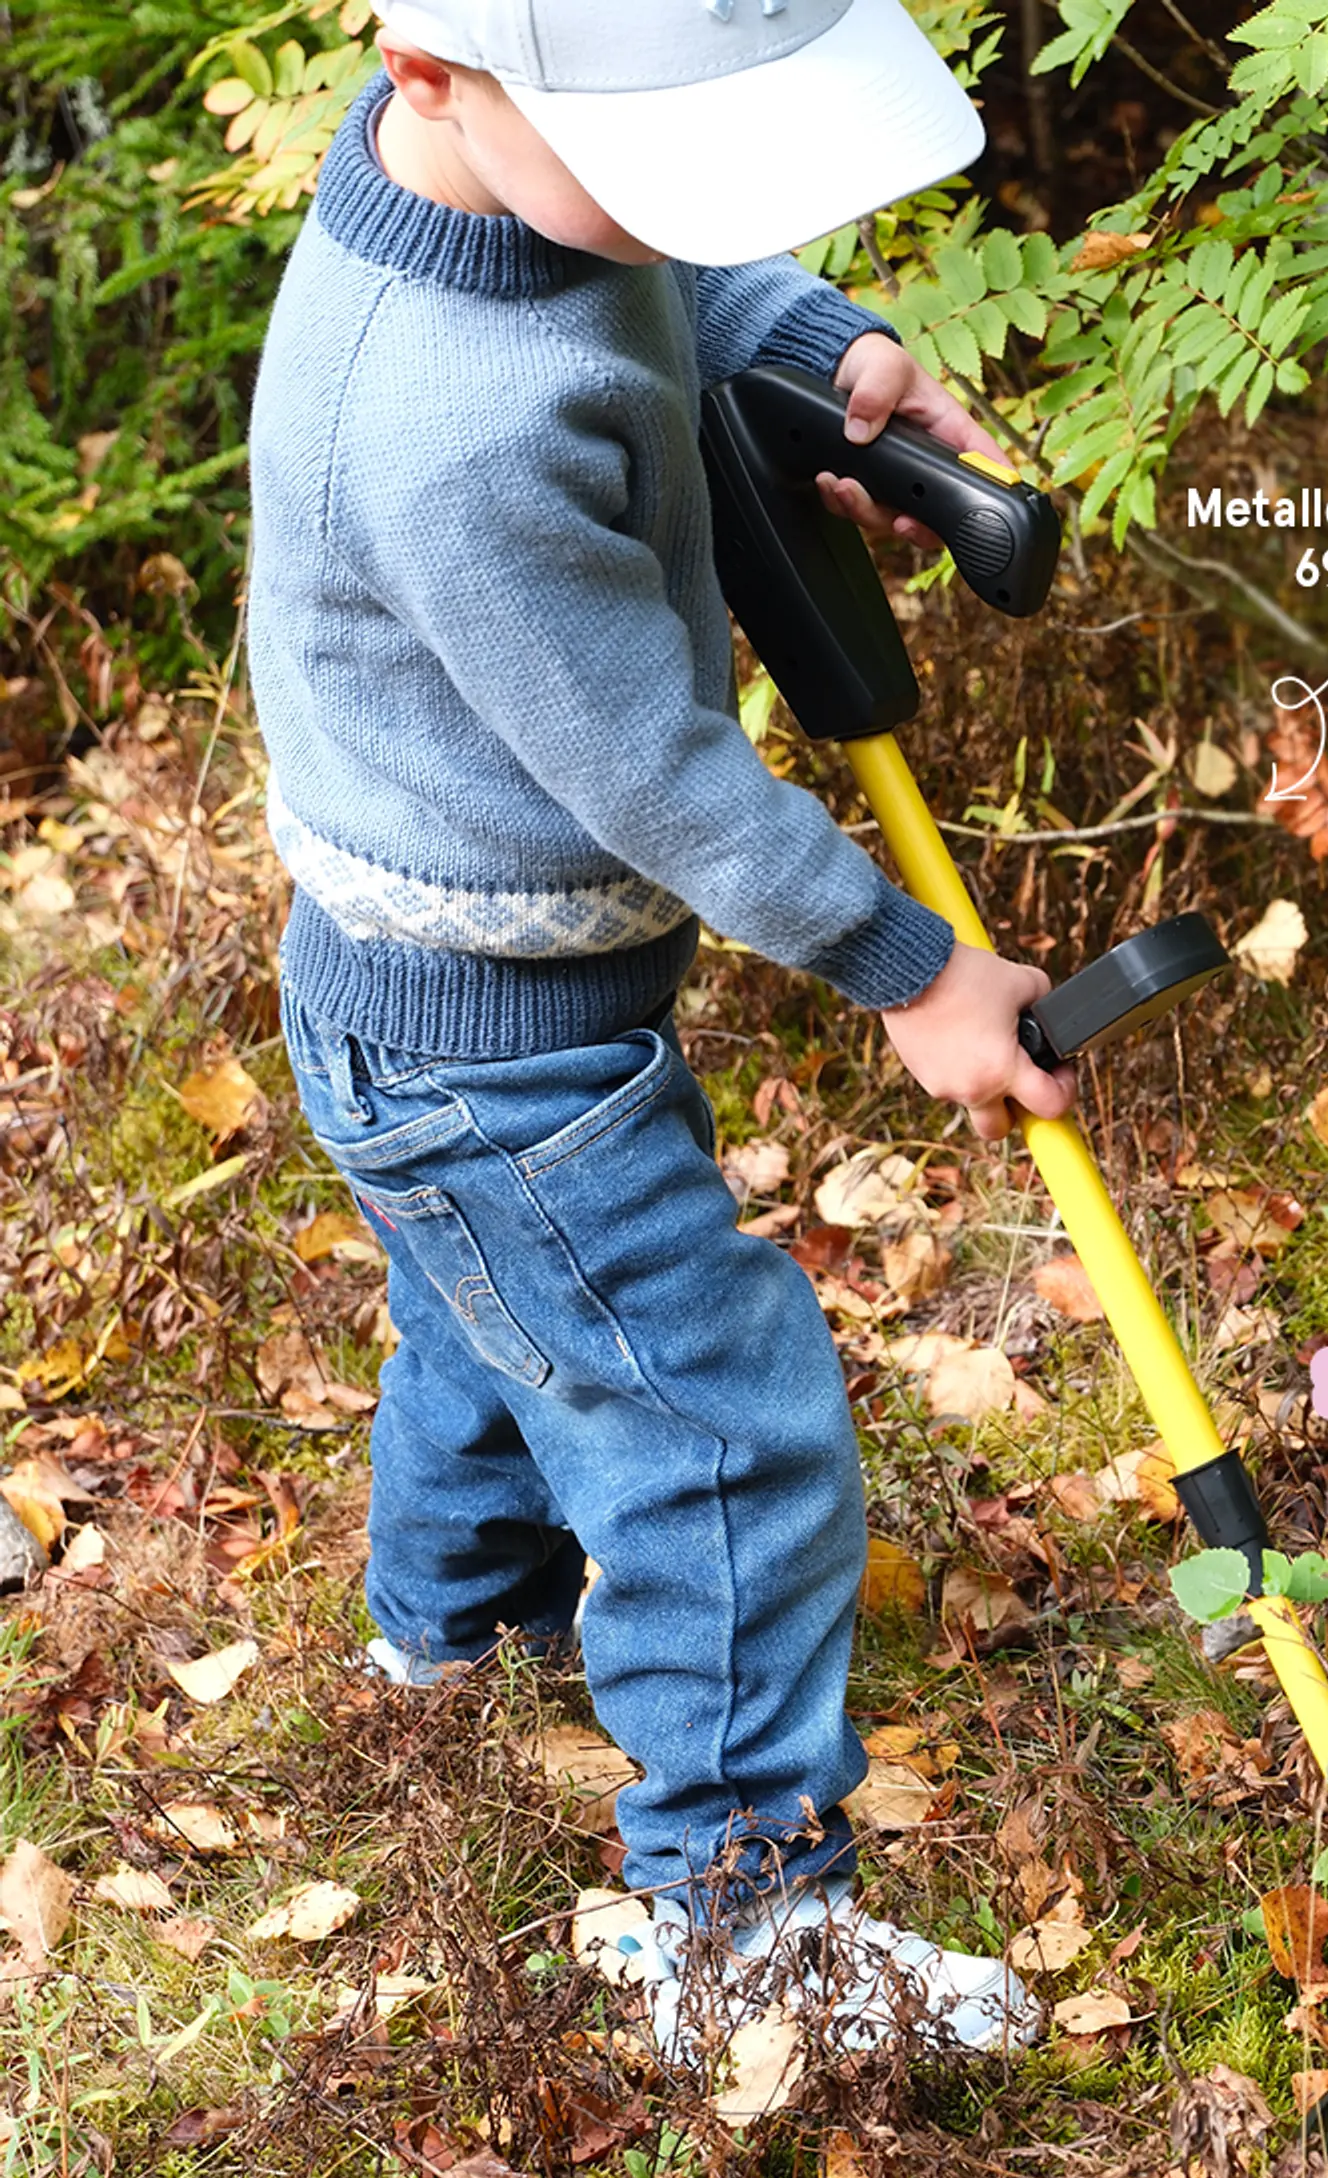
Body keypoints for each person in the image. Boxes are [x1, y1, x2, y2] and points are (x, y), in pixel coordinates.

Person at [247, 0, 1077, 2062]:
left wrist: (809, 348)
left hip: (432, 1002)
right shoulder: (450, 427)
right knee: (717, 1427)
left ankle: (448, 1650)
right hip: (492, 1052)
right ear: (425, 63)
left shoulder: (504, 180)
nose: (676, 203)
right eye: (665, 160)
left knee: (492, 1328)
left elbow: (653, 251)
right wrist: (918, 974)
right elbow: (666, 787)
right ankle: (750, 1935)